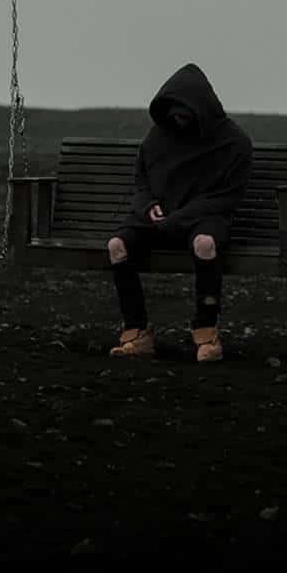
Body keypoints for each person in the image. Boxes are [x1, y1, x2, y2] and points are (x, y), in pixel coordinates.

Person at [106, 63, 254, 363]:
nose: (178, 118)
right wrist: (148, 207)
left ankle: (206, 333)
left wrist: (180, 218)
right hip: (158, 219)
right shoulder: (157, 138)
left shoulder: (234, 142)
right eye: (173, 111)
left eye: (184, 112)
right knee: (117, 246)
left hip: (204, 218)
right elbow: (141, 182)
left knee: (205, 244)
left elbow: (225, 197)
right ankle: (136, 333)